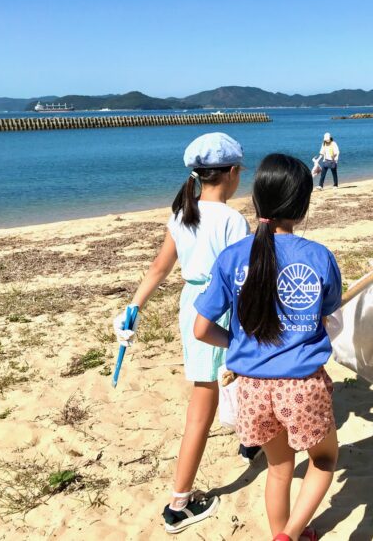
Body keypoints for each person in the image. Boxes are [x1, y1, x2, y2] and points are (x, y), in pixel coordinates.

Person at [112, 132, 260, 534]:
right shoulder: (232, 219)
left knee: (224, 379)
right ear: (231, 173)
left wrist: (134, 306)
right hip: (220, 308)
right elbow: (243, 278)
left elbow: (160, 266)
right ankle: (179, 502)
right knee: (211, 395)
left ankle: (250, 439)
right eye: (239, 171)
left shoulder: (182, 213)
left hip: (190, 305)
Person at [193, 153, 342, 541]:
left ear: (257, 200)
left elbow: (201, 329)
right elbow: (326, 315)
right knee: (324, 461)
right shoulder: (319, 257)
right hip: (303, 383)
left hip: (252, 386)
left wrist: (237, 342)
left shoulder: (233, 257)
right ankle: (289, 535)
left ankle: (282, 535)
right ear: (302, 204)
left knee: (279, 469)